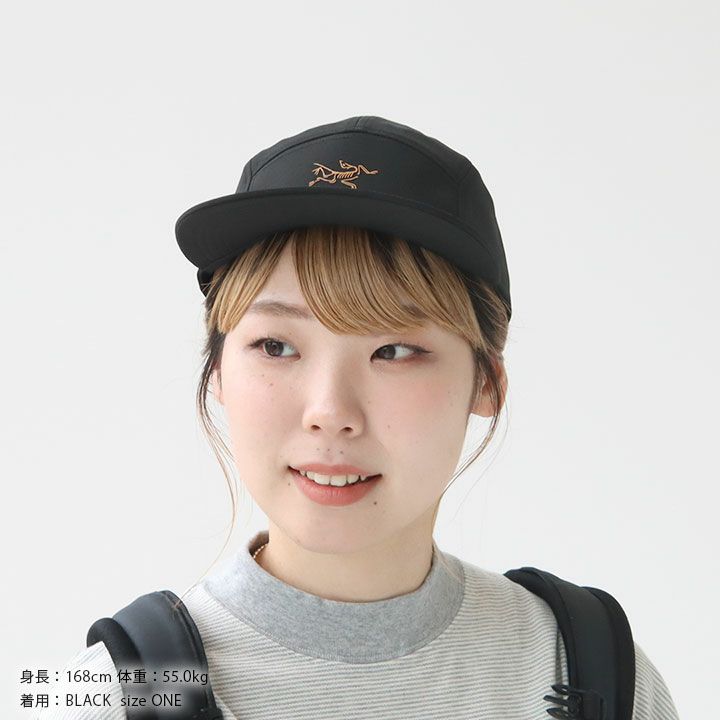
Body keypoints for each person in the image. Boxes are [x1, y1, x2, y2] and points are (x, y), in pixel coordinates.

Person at [34, 116, 680, 719]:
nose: (330, 413)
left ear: (487, 382)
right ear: (219, 371)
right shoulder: (107, 694)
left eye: (393, 351)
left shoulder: (591, 669)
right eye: (276, 346)